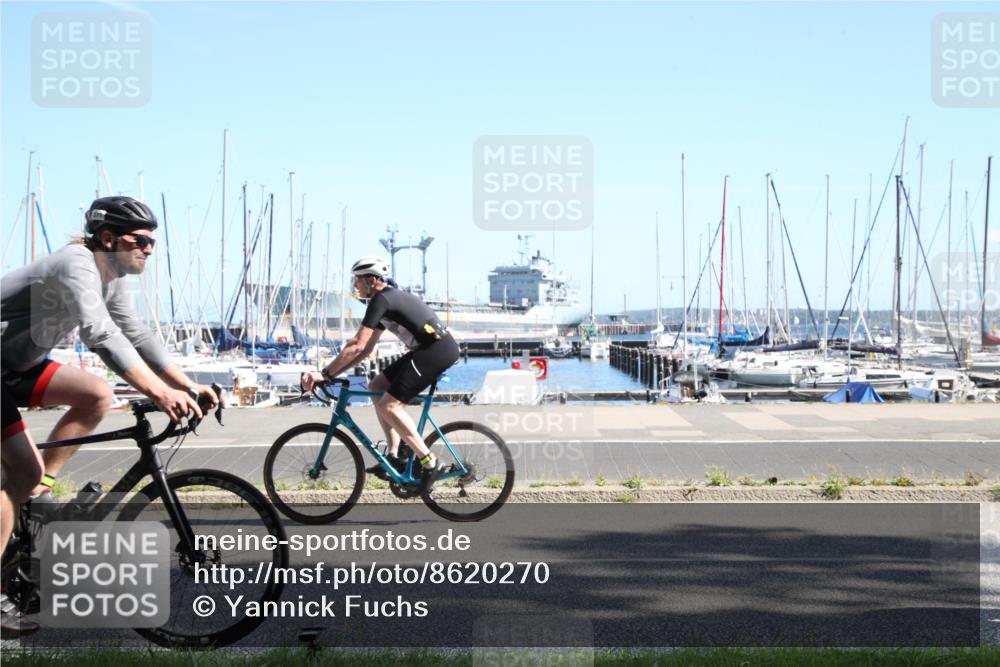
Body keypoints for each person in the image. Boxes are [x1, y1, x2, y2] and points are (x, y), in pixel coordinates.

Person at [0, 196, 219, 637]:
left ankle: (40, 487)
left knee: (97, 395)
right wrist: (158, 393)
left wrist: (186, 383)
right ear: (108, 238)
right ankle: (28, 485)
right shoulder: (75, 263)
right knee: (20, 469)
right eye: (141, 241)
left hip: (15, 366)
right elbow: (99, 333)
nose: (150, 249)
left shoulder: (111, 277)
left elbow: (134, 333)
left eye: (153, 242)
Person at [301, 256, 459, 490]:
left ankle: (430, 462)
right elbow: (365, 349)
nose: (355, 285)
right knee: (376, 386)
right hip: (428, 349)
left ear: (372, 280)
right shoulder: (387, 300)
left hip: (436, 350)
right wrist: (331, 375)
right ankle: (394, 454)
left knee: (390, 405)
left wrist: (324, 373)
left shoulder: (381, 299)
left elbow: (356, 344)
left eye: (358, 280)